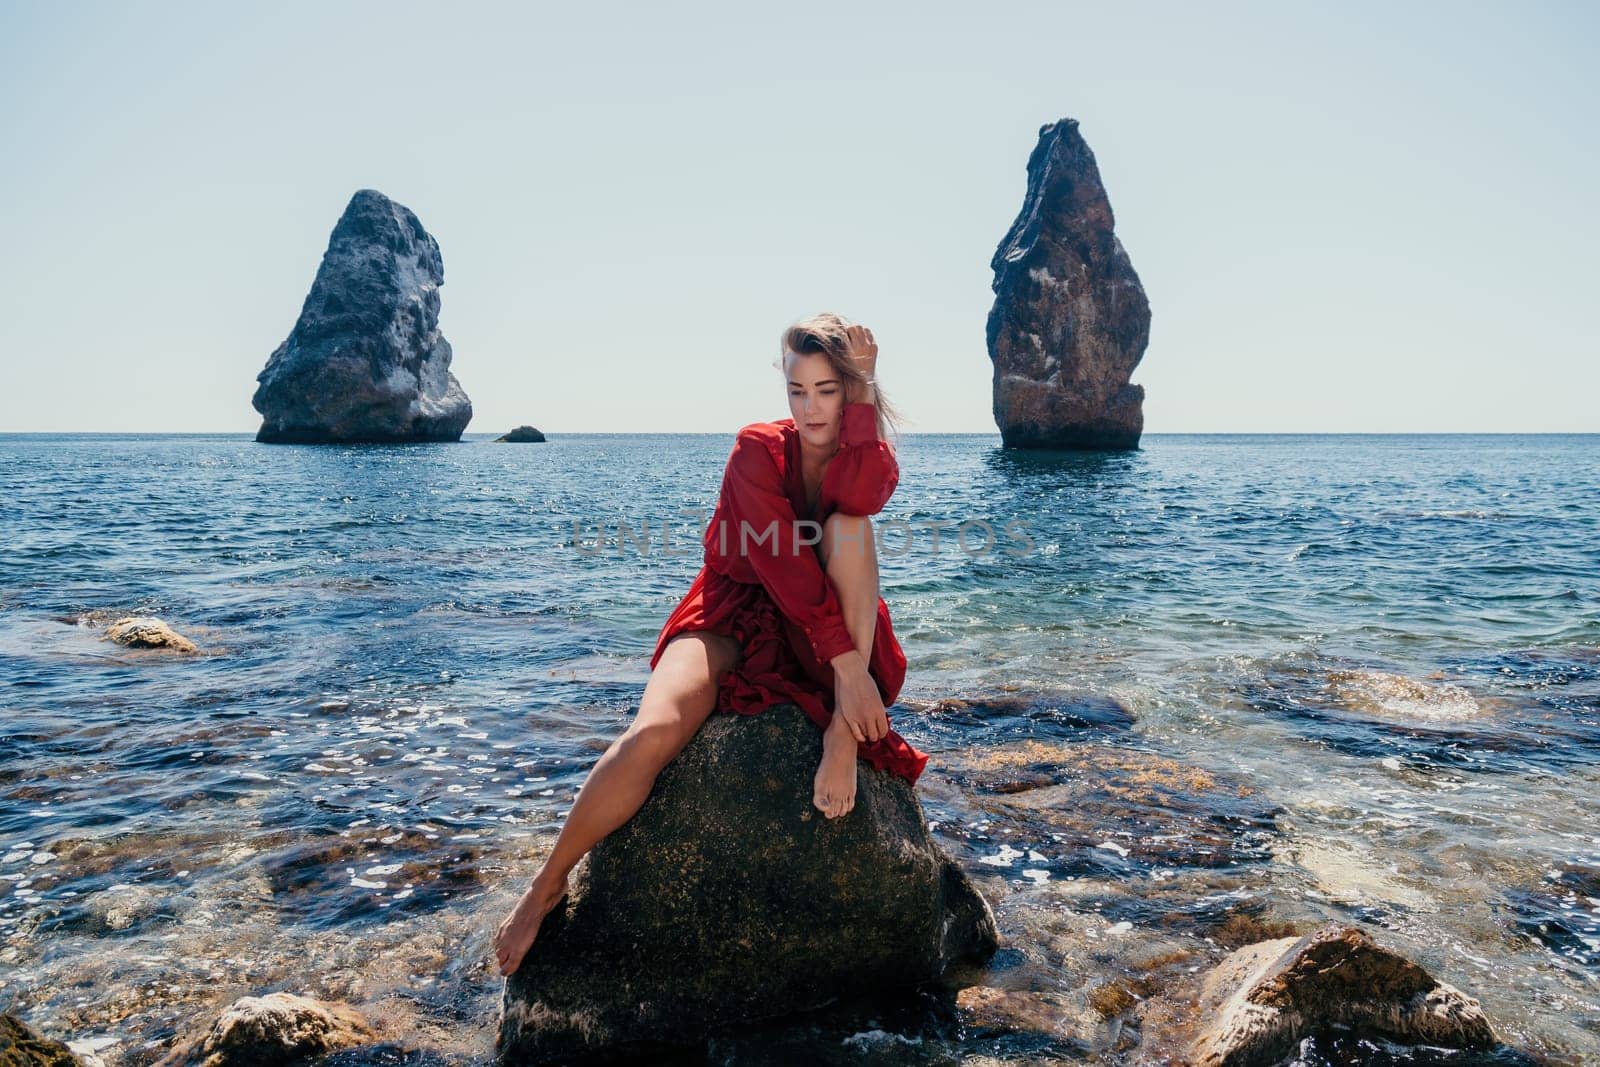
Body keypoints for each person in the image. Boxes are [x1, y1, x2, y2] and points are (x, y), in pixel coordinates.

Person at [492, 313, 928, 978]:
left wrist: (867, 387)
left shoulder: (853, 451)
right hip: (732, 609)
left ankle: (842, 733)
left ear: (848, 391)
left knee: (852, 529)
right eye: (797, 390)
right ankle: (548, 880)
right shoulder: (756, 450)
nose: (810, 407)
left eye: (828, 390)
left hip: (815, 623)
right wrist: (851, 668)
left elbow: (865, 495)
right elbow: (783, 567)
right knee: (653, 730)